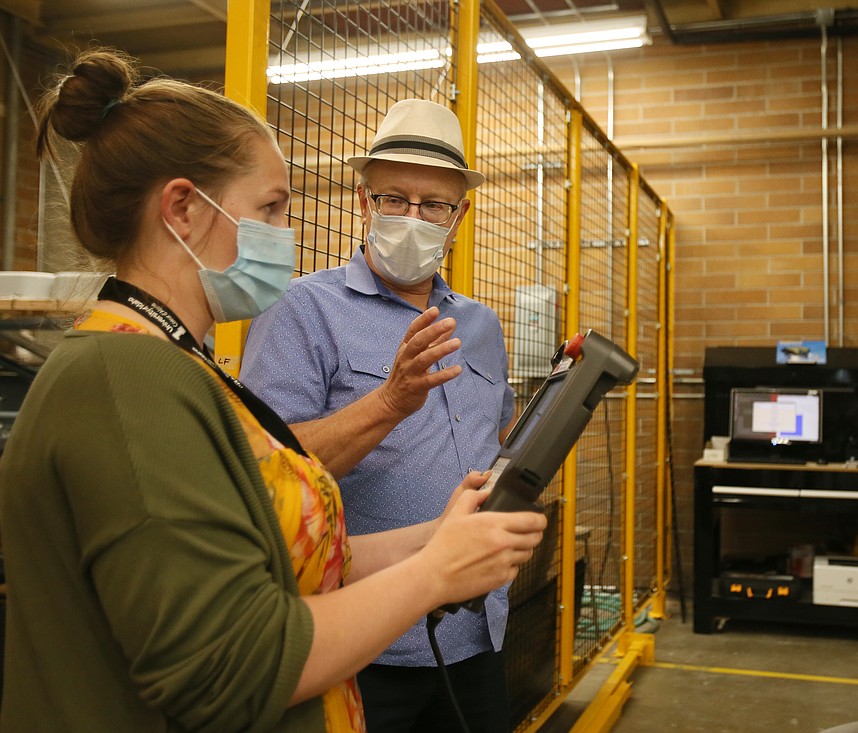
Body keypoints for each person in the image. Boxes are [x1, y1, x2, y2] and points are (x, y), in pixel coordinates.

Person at [0, 48, 545, 733]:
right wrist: (434, 571)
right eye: (272, 207)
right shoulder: (124, 378)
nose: (285, 237)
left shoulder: (180, 368)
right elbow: (234, 664)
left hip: (464, 647)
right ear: (182, 211)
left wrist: (438, 537)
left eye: (435, 203)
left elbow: (273, 552)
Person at [240, 99, 518, 732]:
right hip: (361, 642)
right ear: (364, 202)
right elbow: (267, 475)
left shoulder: (481, 326)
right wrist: (389, 402)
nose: (412, 218)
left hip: (477, 635)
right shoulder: (301, 311)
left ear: (459, 217)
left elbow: (490, 440)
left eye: (434, 206)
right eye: (395, 199)